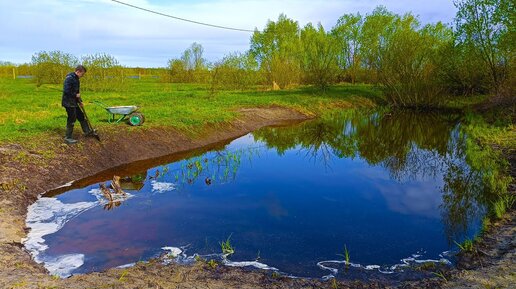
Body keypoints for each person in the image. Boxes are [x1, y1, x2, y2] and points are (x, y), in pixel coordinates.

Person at [62, 65, 92, 144]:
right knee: (72, 118)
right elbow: (66, 91)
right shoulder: (69, 78)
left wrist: (80, 101)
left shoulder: (76, 79)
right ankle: (68, 138)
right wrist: (75, 95)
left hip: (74, 102)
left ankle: (87, 131)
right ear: (78, 71)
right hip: (68, 102)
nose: (82, 76)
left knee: (81, 116)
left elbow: (77, 91)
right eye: (82, 74)